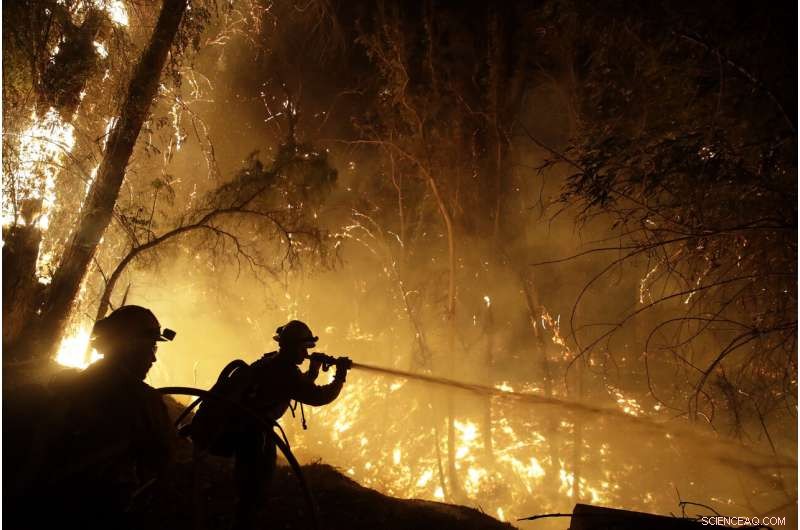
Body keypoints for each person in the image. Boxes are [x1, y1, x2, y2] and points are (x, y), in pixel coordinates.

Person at [10, 305, 177, 529]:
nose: (153, 358)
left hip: (35, 506)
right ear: (130, 346)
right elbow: (164, 460)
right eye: (151, 347)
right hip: (95, 512)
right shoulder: (143, 400)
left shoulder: (67, 382)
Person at [193, 319, 350, 530]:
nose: (306, 353)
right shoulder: (285, 371)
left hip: (247, 429)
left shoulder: (271, 362)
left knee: (248, 487)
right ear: (293, 347)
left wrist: (313, 371)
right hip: (254, 435)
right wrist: (340, 376)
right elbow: (318, 397)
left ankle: (243, 518)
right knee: (254, 490)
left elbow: (294, 387)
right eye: (304, 348)